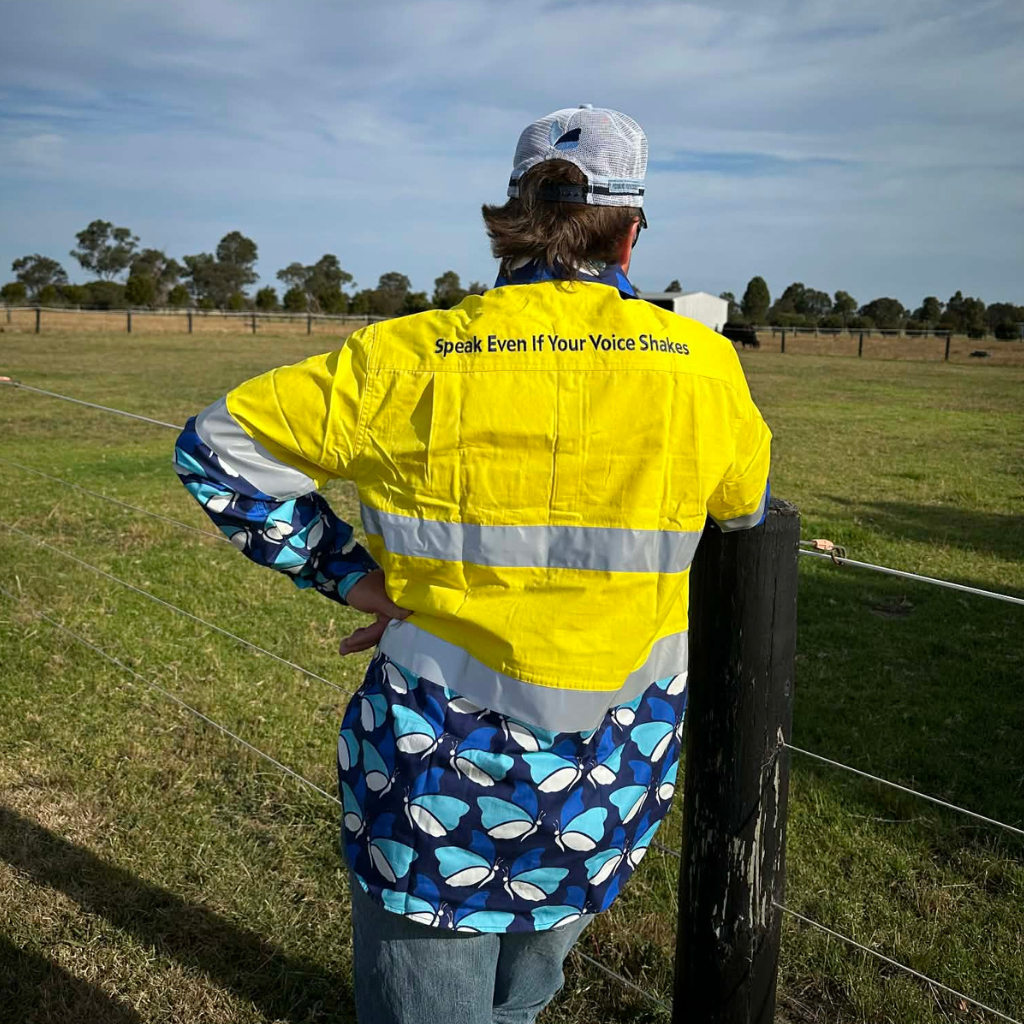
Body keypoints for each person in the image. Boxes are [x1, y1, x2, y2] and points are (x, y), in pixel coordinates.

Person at [174, 104, 771, 1024]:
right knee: (522, 1003)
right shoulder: (703, 364)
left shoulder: (406, 355)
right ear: (632, 227)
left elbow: (217, 449)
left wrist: (348, 574)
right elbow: (743, 506)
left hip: (434, 781)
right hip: (608, 781)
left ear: (512, 214)